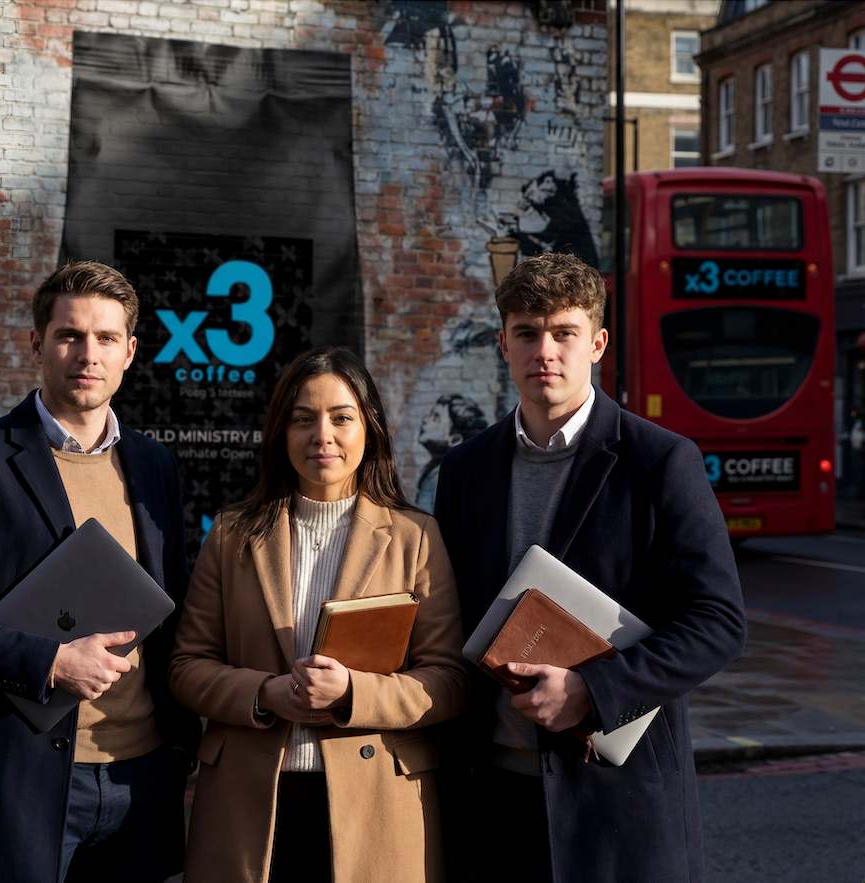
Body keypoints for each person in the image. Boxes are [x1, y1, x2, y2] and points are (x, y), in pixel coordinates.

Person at [434, 252, 746, 883]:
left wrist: (591, 691)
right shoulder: (463, 471)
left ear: (597, 343)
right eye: (526, 332)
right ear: (503, 344)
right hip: (489, 797)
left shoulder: (660, 462)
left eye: (563, 333)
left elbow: (718, 621)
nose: (544, 350)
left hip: (613, 801)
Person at [0, 261, 200, 883]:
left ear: (130, 351)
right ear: (37, 343)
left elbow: (173, 604)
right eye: (70, 335)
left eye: (107, 339)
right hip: (20, 778)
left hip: (139, 774)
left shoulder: (155, 464)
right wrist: (51, 662)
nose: (88, 354)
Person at [170, 346, 466, 883]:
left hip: (374, 808)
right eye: (302, 419)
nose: (321, 435)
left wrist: (353, 693)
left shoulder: (415, 538)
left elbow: (446, 681)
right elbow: (187, 666)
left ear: (369, 430)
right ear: (281, 434)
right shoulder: (234, 535)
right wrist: (265, 694)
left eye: (341, 418)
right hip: (250, 807)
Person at [415, 393, 488, 512]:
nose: (425, 420)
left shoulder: (446, 478)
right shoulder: (438, 472)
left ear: (454, 439)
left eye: (436, 417)